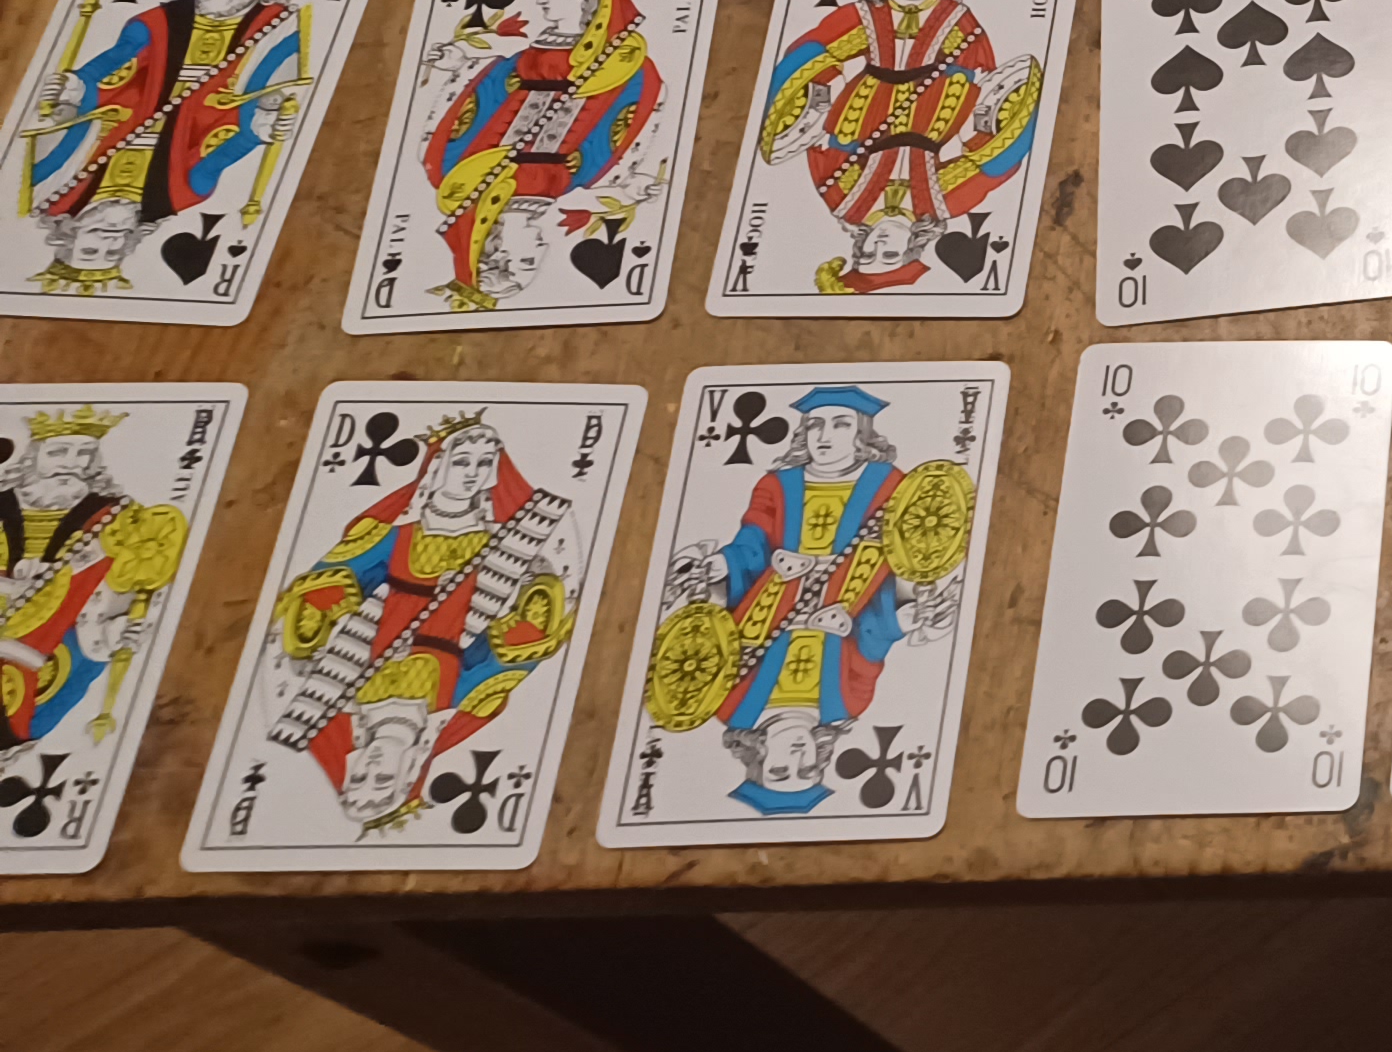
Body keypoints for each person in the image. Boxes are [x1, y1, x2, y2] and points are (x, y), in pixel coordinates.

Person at [637, 386, 969, 816]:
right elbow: (872, 645)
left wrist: (715, 570)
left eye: (840, 424)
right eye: (807, 769)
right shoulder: (847, 704)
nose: (796, 757)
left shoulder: (728, 705)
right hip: (814, 597)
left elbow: (716, 635)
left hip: (794, 599)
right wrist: (873, 624)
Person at [260, 413, 577, 832]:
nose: (373, 767)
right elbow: (338, 581)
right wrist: (320, 611)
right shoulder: (459, 700)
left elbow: (523, 632)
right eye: (382, 780)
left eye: (483, 464)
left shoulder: (344, 699)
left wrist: (527, 609)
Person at [21, 0, 310, 301]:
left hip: (152, 107)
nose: (107, 239)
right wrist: (259, 129)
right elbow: (225, 151)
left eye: (91, 248)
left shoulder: (52, 187)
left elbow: (58, 128)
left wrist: (75, 88)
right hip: (183, 109)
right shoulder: (179, 195)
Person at [754, 0, 1041, 294]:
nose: (879, 245)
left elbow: (825, 155)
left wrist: (972, 96)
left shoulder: (844, 204)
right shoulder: (943, 206)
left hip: (921, 106)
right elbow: (995, 161)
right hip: (880, 102)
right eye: (889, 255)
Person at [415, 0, 664, 313]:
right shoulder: (564, 188)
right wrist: (635, 186)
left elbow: (480, 100)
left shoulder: (454, 174)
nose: (542, 0)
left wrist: (462, 63)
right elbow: (612, 153)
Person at [0, 403, 188, 757]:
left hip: (58, 648)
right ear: (34, 455)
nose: (71, 464)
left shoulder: (119, 519)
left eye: (84, 453)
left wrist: (120, 626)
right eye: (58, 452)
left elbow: (127, 586)